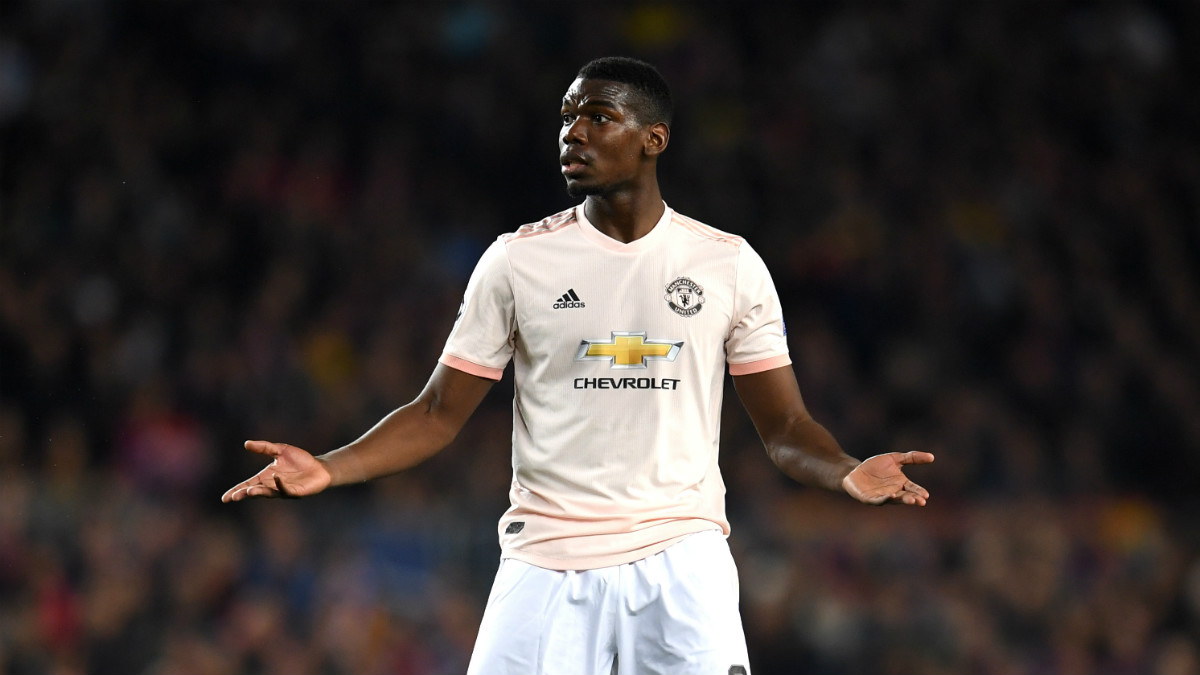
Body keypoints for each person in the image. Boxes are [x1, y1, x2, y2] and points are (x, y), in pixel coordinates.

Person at [222, 56, 934, 675]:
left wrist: (843, 468)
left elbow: (782, 426)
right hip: (545, 558)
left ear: (654, 138)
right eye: (567, 117)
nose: (574, 132)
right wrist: (330, 466)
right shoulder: (517, 261)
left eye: (598, 116)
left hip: (681, 557)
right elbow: (438, 413)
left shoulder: (727, 264)